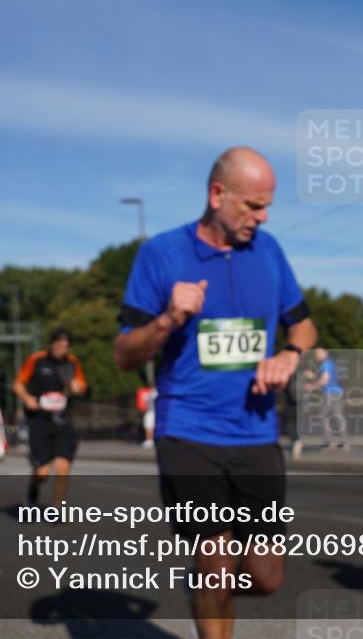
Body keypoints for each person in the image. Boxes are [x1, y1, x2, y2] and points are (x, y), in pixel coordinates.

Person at [115, 147, 317, 639]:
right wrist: (167, 319)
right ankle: (210, 583)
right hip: (188, 431)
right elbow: (124, 353)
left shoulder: (269, 252)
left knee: (267, 577)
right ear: (216, 194)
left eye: (267, 206)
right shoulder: (161, 254)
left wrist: (290, 353)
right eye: (251, 205)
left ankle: (208, 584)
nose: (261, 217)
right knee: (215, 558)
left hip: (255, 433)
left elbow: (305, 326)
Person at [14, 327, 88, 507]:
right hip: (39, 421)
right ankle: (33, 490)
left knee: (63, 467)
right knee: (43, 472)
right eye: (58, 344)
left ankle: (57, 508)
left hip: (62, 421)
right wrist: (26, 398)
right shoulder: (36, 360)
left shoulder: (72, 363)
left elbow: (82, 386)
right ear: (51, 344)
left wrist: (78, 388)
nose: (61, 348)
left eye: (65, 345)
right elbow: (18, 383)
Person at [303, 347, 348, 450]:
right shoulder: (330, 363)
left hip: (329, 394)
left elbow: (324, 381)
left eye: (318, 353)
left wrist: (311, 386)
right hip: (336, 393)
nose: (316, 356)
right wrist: (313, 376)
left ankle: (329, 441)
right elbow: (326, 377)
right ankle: (343, 441)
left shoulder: (326, 364)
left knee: (322, 416)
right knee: (337, 416)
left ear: (325, 354)